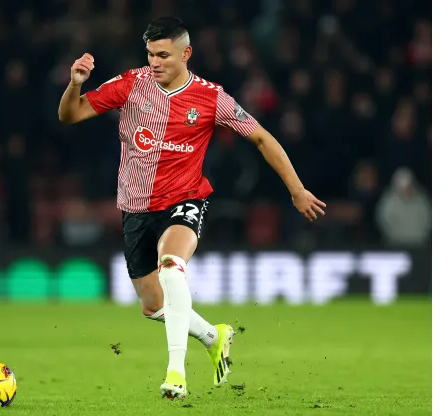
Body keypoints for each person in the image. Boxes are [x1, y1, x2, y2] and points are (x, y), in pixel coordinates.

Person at [58, 17, 326, 399]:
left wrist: (297, 190)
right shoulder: (130, 85)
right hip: (135, 208)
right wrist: (75, 84)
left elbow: (263, 139)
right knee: (153, 307)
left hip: (185, 200)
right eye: (150, 54)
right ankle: (213, 336)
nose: (155, 62)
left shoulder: (211, 97)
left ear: (186, 54)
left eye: (163, 54)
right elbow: (70, 114)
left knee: (172, 267)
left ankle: (176, 372)